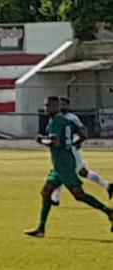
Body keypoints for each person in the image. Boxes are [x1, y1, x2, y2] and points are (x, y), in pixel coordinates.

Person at [24, 97, 113, 238]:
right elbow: (84, 134)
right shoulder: (68, 120)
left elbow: (55, 142)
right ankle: (41, 228)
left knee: (79, 195)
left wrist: (41, 140)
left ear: (57, 106)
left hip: (64, 164)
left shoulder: (55, 122)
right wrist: (74, 144)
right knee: (46, 192)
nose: (46, 108)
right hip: (62, 163)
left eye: (49, 106)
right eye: (45, 105)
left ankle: (109, 212)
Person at [50, 97, 113, 205]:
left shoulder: (71, 118)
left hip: (72, 151)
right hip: (65, 152)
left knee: (63, 172)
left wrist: (76, 143)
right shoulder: (56, 119)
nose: (61, 107)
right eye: (60, 105)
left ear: (68, 106)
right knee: (82, 172)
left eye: (64, 104)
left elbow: (83, 132)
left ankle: (55, 199)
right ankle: (108, 185)